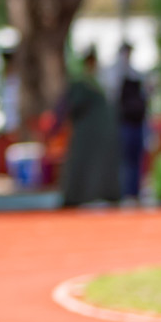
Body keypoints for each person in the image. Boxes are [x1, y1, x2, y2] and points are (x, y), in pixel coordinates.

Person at [58, 50, 121, 208]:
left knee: (100, 166)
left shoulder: (100, 81)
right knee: (82, 165)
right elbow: (72, 106)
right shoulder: (81, 83)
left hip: (100, 135)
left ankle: (101, 194)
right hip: (86, 136)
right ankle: (79, 196)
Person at [113, 44, 150, 200]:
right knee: (125, 160)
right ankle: (125, 192)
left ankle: (134, 192)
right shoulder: (114, 74)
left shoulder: (137, 74)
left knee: (136, 159)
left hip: (137, 123)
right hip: (124, 124)